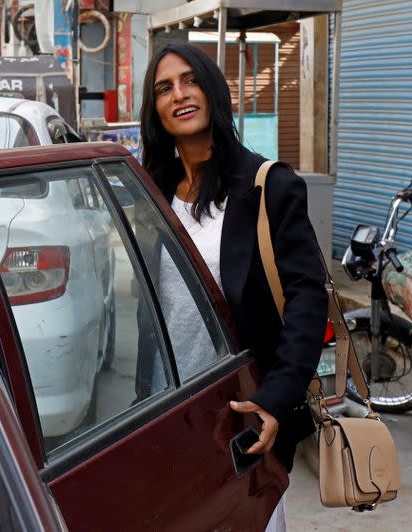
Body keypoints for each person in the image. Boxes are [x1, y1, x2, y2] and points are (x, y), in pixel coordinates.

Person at [138, 42, 328, 528]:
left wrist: (276, 399)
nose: (179, 94)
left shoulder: (268, 185)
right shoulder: (149, 192)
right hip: (167, 410)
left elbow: (308, 299)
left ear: (213, 91)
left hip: (242, 410)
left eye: (190, 80)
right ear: (154, 108)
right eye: (164, 88)